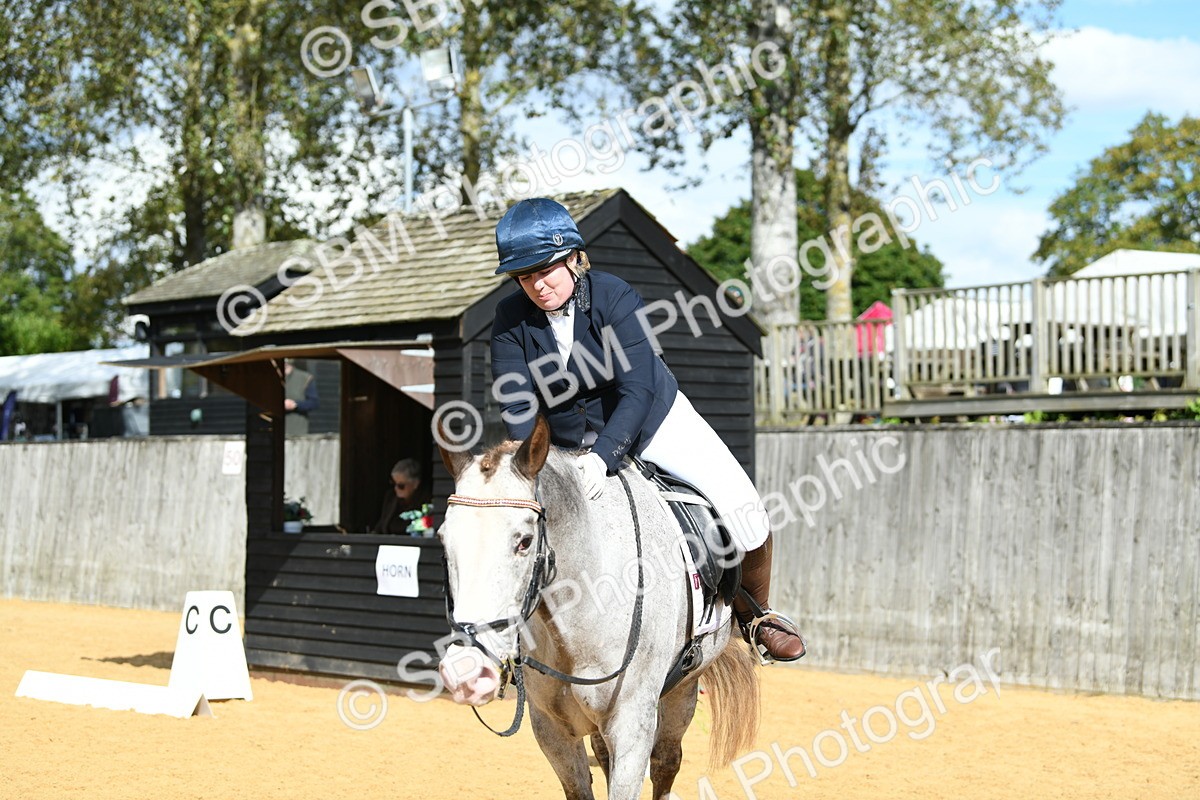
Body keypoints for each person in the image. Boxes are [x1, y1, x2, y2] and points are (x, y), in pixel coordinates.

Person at [490, 197, 805, 663]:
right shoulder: (509, 318)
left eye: (545, 270)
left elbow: (636, 388)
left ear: (574, 258)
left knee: (745, 508)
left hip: (652, 421)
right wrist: (528, 465)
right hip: (564, 443)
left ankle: (756, 615)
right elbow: (517, 402)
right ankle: (507, 640)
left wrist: (604, 458)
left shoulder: (614, 295)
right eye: (524, 275)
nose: (537, 285)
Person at [371, 458, 433, 534]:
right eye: (393, 483)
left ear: (415, 484)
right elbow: (381, 525)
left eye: (401, 486)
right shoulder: (391, 498)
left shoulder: (426, 502)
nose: (396, 488)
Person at [283, 359, 319, 435]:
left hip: (296, 431)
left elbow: (314, 403)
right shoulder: (270, 377)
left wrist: (295, 404)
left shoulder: (304, 377)